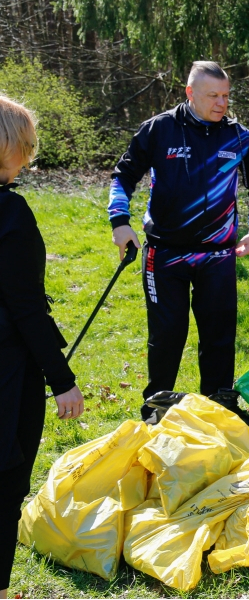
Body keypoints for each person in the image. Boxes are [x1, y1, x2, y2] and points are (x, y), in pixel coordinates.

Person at [108, 61, 249, 420]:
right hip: (165, 254)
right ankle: (156, 410)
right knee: (167, 336)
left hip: (218, 256)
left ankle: (218, 409)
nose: (221, 103)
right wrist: (120, 222)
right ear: (190, 93)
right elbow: (122, 178)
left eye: (226, 96)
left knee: (219, 337)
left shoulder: (240, 136)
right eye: (213, 95)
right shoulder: (159, 129)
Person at [0, 96, 84, 600]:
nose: (29, 158)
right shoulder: (10, 214)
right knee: (7, 481)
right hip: (8, 372)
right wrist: (63, 380)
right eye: (24, 147)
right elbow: (27, 308)